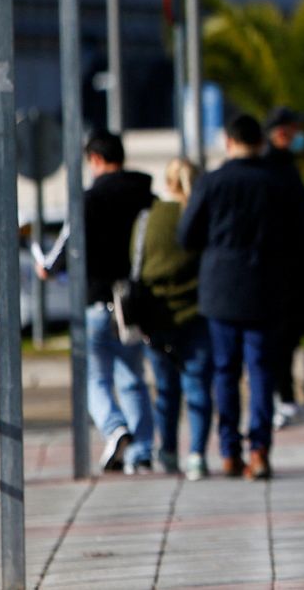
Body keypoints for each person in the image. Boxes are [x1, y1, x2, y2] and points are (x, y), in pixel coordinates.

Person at [179, 114, 304, 480]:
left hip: (220, 289)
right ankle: (260, 449)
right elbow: (303, 233)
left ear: (228, 141)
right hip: (268, 287)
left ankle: (228, 451)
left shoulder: (212, 182)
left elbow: (187, 235)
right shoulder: (280, 181)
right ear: (261, 141)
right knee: (262, 371)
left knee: (224, 370)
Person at [41, 130, 157, 474]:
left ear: (95, 159)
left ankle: (114, 426)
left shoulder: (89, 199)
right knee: (132, 376)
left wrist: (48, 267)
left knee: (94, 377)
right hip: (132, 302)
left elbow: (62, 249)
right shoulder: (145, 196)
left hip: (95, 300)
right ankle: (143, 451)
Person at [135, 157, 213, 481]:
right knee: (197, 385)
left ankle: (167, 451)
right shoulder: (200, 216)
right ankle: (196, 454)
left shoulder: (148, 218)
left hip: (157, 315)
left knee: (165, 388)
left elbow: (137, 264)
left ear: (166, 182)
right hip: (196, 312)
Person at [265, 106, 304, 430]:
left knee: (290, 339)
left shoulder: (286, 165)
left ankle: (287, 398)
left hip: (295, 268)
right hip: (280, 269)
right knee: (279, 340)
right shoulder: (273, 166)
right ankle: (280, 399)